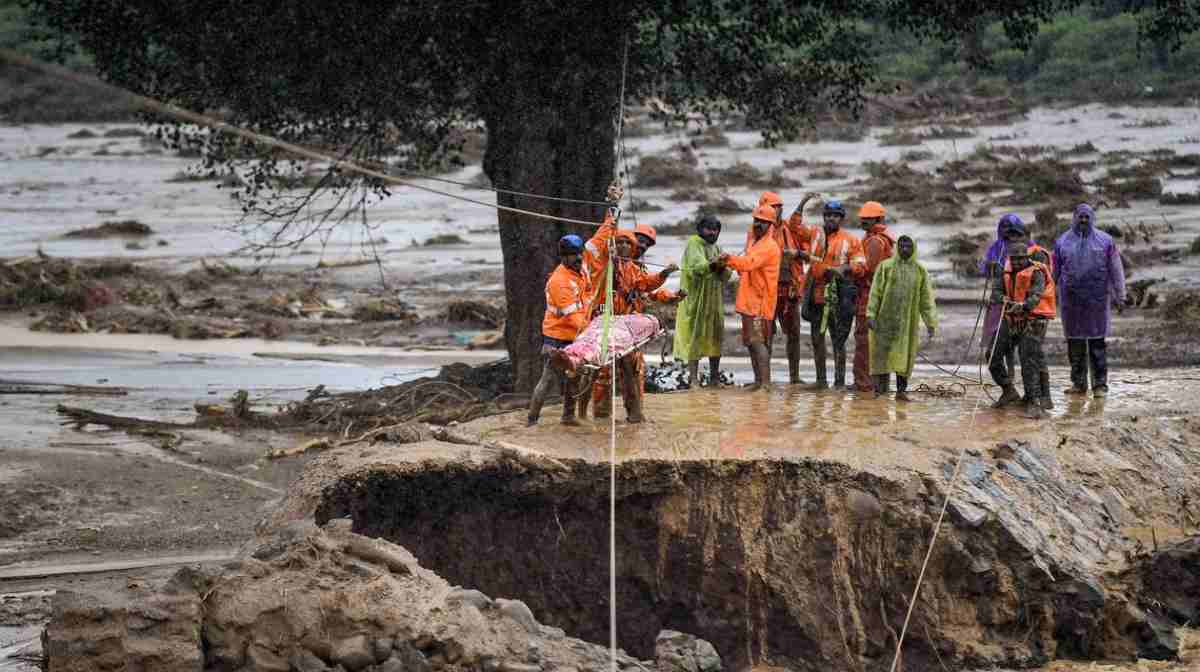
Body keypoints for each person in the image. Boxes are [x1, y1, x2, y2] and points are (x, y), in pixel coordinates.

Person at [585, 229, 682, 422]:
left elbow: (646, 285)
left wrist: (664, 274)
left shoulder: (635, 268)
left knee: (633, 371)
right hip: (606, 325)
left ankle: (635, 414)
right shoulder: (604, 265)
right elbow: (596, 247)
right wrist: (610, 220)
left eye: (627, 243)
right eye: (619, 242)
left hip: (629, 329)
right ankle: (602, 416)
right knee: (603, 373)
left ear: (632, 247)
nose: (623, 246)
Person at [1053, 203, 1125, 398]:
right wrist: (1047, 298)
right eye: (1080, 217)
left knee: (1097, 344)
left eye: (1087, 217)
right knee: (1074, 345)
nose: (1083, 220)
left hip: (1097, 301)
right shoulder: (1062, 242)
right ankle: (1078, 384)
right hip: (1071, 301)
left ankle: (1100, 385)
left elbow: (1116, 269)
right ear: (1074, 217)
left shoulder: (1106, 241)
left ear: (1092, 218)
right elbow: (1053, 273)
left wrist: (1121, 295)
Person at [751, 191, 820, 384]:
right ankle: (764, 379)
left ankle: (794, 377)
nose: (777, 210)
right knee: (766, 335)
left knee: (794, 333)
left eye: (779, 206)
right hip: (766, 290)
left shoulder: (787, 228)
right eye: (773, 207)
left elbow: (797, 223)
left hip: (789, 287)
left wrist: (802, 203)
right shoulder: (757, 231)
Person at [527, 234, 593, 426]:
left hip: (575, 335)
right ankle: (532, 421)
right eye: (573, 255)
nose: (578, 258)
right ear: (563, 257)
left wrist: (611, 220)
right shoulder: (560, 281)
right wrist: (592, 333)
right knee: (548, 379)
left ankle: (568, 416)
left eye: (580, 253)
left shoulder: (581, 270)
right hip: (557, 337)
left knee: (574, 376)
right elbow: (573, 317)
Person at [716, 204, 782, 390]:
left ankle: (765, 383)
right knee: (751, 343)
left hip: (760, 302)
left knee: (758, 342)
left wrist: (728, 259)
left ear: (771, 225)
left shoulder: (768, 246)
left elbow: (749, 263)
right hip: (749, 301)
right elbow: (744, 264)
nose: (758, 224)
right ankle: (759, 380)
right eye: (756, 220)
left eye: (763, 222)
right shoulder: (755, 242)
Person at [989, 236, 1056, 419]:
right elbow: (996, 291)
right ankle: (1008, 390)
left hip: (1034, 319)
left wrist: (1023, 305)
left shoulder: (1037, 272)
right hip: (1011, 318)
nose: (1017, 262)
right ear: (1009, 258)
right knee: (992, 353)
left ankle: (1034, 401)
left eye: (1020, 258)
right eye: (1014, 258)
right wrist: (1002, 299)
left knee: (1029, 358)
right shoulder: (1004, 271)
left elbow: (1036, 295)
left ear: (1027, 256)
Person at [802, 199, 866, 389]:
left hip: (839, 295)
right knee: (816, 338)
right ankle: (821, 381)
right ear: (824, 217)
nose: (831, 219)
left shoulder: (851, 240)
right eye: (828, 215)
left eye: (835, 216)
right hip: (816, 293)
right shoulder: (814, 234)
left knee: (838, 339)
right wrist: (803, 203)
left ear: (841, 219)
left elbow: (862, 266)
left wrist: (843, 268)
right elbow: (794, 226)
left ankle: (839, 382)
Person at [865, 235, 936, 401]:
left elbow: (926, 299)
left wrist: (930, 322)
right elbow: (875, 293)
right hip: (883, 320)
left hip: (907, 324)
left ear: (914, 249)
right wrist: (870, 314)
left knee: (905, 355)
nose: (905, 249)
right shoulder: (886, 267)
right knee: (881, 354)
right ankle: (879, 390)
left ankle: (901, 391)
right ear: (897, 248)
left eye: (908, 247)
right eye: (902, 246)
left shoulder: (920, 270)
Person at [675, 215, 732, 388]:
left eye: (716, 229)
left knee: (715, 337)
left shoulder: (717, 247)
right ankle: (693, 380)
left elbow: (727, 275)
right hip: (695, 300)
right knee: (695, 337)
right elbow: (698, 268)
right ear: (700, 229)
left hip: (714, 301)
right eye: (709, 228)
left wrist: (722, 265)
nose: (712, 232)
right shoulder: (694, 243)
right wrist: (713, 264)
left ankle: (714, 378)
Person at [854, 201, 896, 393]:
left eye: (867, 219)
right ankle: (880, 386)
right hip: (882, 298)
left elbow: (867, 270)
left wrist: (849, 268)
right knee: (878, 343)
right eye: (862, 218)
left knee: (864, 341)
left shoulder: (874, 242)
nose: (863, 221)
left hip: (870, 297)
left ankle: (864, 384)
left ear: (877, 219)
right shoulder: (883, 239)